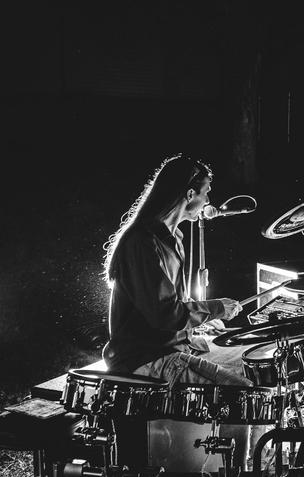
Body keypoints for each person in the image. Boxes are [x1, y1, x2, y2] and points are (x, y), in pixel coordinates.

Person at [102, 154, 256, 471]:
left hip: (164, 348)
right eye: (206, 193)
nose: (209, 201)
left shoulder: (172, 237)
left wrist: (195, 329)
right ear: (189, 194)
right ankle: (232, 470)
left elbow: (172, 308)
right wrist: (217, 309)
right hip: (144, 359)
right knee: (240, 395)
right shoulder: (143, 243)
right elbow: (165, 314)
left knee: (242, 369)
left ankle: (203, 461)